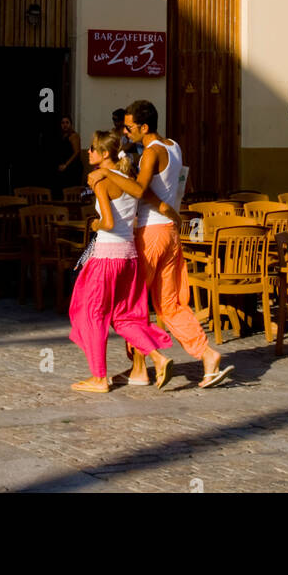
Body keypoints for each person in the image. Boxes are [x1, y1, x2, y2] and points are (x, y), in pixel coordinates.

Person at [92, 100, 232, 390]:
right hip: (169, 232)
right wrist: (169, 209)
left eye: (129, 128)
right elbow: (174, 186)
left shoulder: (152, 152)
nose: (125, 133)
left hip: (150, 233)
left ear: (144, 127)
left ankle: (141, 368)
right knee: (170, 304)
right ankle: (207, 355)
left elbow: (140, 191)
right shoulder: (173, 146)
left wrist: (108, 173)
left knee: (133, 303)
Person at [68, 130, 174, 394]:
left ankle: (99, 378)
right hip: (129, 257)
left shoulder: (102, 182)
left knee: (92, 314)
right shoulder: (128, 179)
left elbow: (108, 222)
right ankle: (158, 358)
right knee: (126, 316)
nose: (88, 152)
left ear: (105, 154)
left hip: (106, 256)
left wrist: (94, 223)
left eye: (93, 149)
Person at [54, 115, 83, 195]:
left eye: (67, 122)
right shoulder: (63, 136)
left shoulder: (74, 136)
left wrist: (66, 165)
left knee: (71, 191)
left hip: (73, 167)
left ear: (71, 124)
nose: (65, 125)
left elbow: (77, 152)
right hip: (65, 167)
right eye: (63, 123)